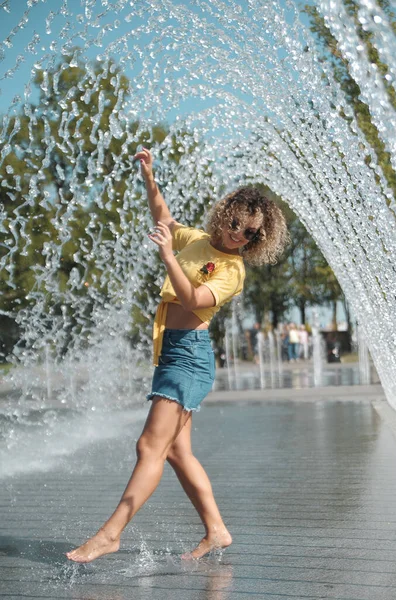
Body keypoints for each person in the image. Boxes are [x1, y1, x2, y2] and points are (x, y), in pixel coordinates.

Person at [66, 147, 288, 564]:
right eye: (236, 223)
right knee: (176, 451)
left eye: (250, 234)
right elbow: (164, 218)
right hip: (171, 354)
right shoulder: (200, 241)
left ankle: (110, 534)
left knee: (149, 446)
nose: (238, 234)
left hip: (190, 359)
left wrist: (167, 255)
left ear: (259, 240)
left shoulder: (232, 271)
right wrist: (149, 176)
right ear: (226, 215)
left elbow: (190, 299)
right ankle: (217, 530)